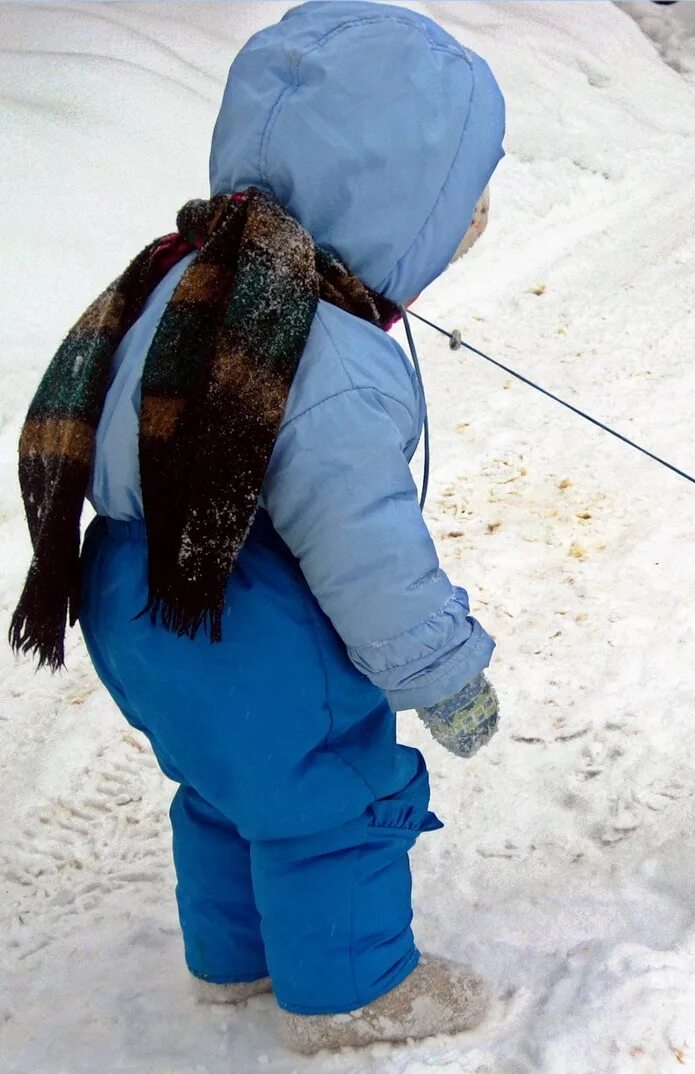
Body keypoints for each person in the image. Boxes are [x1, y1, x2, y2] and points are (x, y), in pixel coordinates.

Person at [10, 1, 505, 1054]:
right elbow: (367, 547)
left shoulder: (174, 281)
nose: (468, 222)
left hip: (132, 595)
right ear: (396, 204)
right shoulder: (322, 353)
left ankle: (231, 957)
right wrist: (444, 674)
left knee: (226, 783)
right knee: (330, 792)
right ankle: (351, 992)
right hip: (252, 616)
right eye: (459, 200)